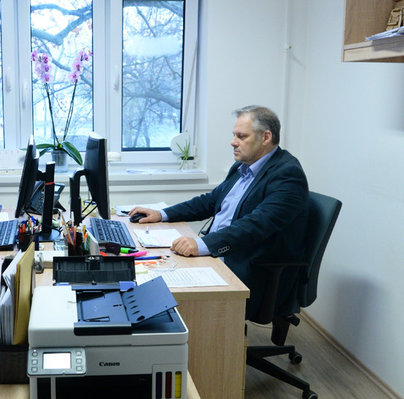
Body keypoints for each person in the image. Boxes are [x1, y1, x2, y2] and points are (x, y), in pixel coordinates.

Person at [129, 105, 309, 319]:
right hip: (220, 253)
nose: (233, 142)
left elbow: (257, 224)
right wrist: (162, 214)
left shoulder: (287, 174)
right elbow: (210, 201)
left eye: (241, 136)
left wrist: (203, 245)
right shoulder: (242, 167)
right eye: (234, 135)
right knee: (151, 272)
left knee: (167, 287)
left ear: (266, 137)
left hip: (250, 268)